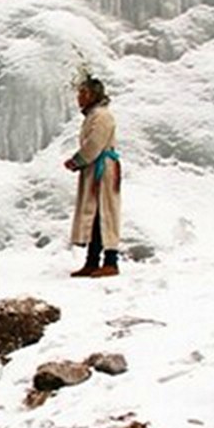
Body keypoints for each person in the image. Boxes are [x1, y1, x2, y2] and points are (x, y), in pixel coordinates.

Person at [64, 77, 122, 278]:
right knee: (96, 214)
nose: (79, 97)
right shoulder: (94, 116)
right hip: (95, 168)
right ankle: (93, 261)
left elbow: (94, 144)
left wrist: (77, 160)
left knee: (103, 213)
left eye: (83, 93)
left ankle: (110, 261)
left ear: (92, 95)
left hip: (102, 169)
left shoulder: (101, 116)